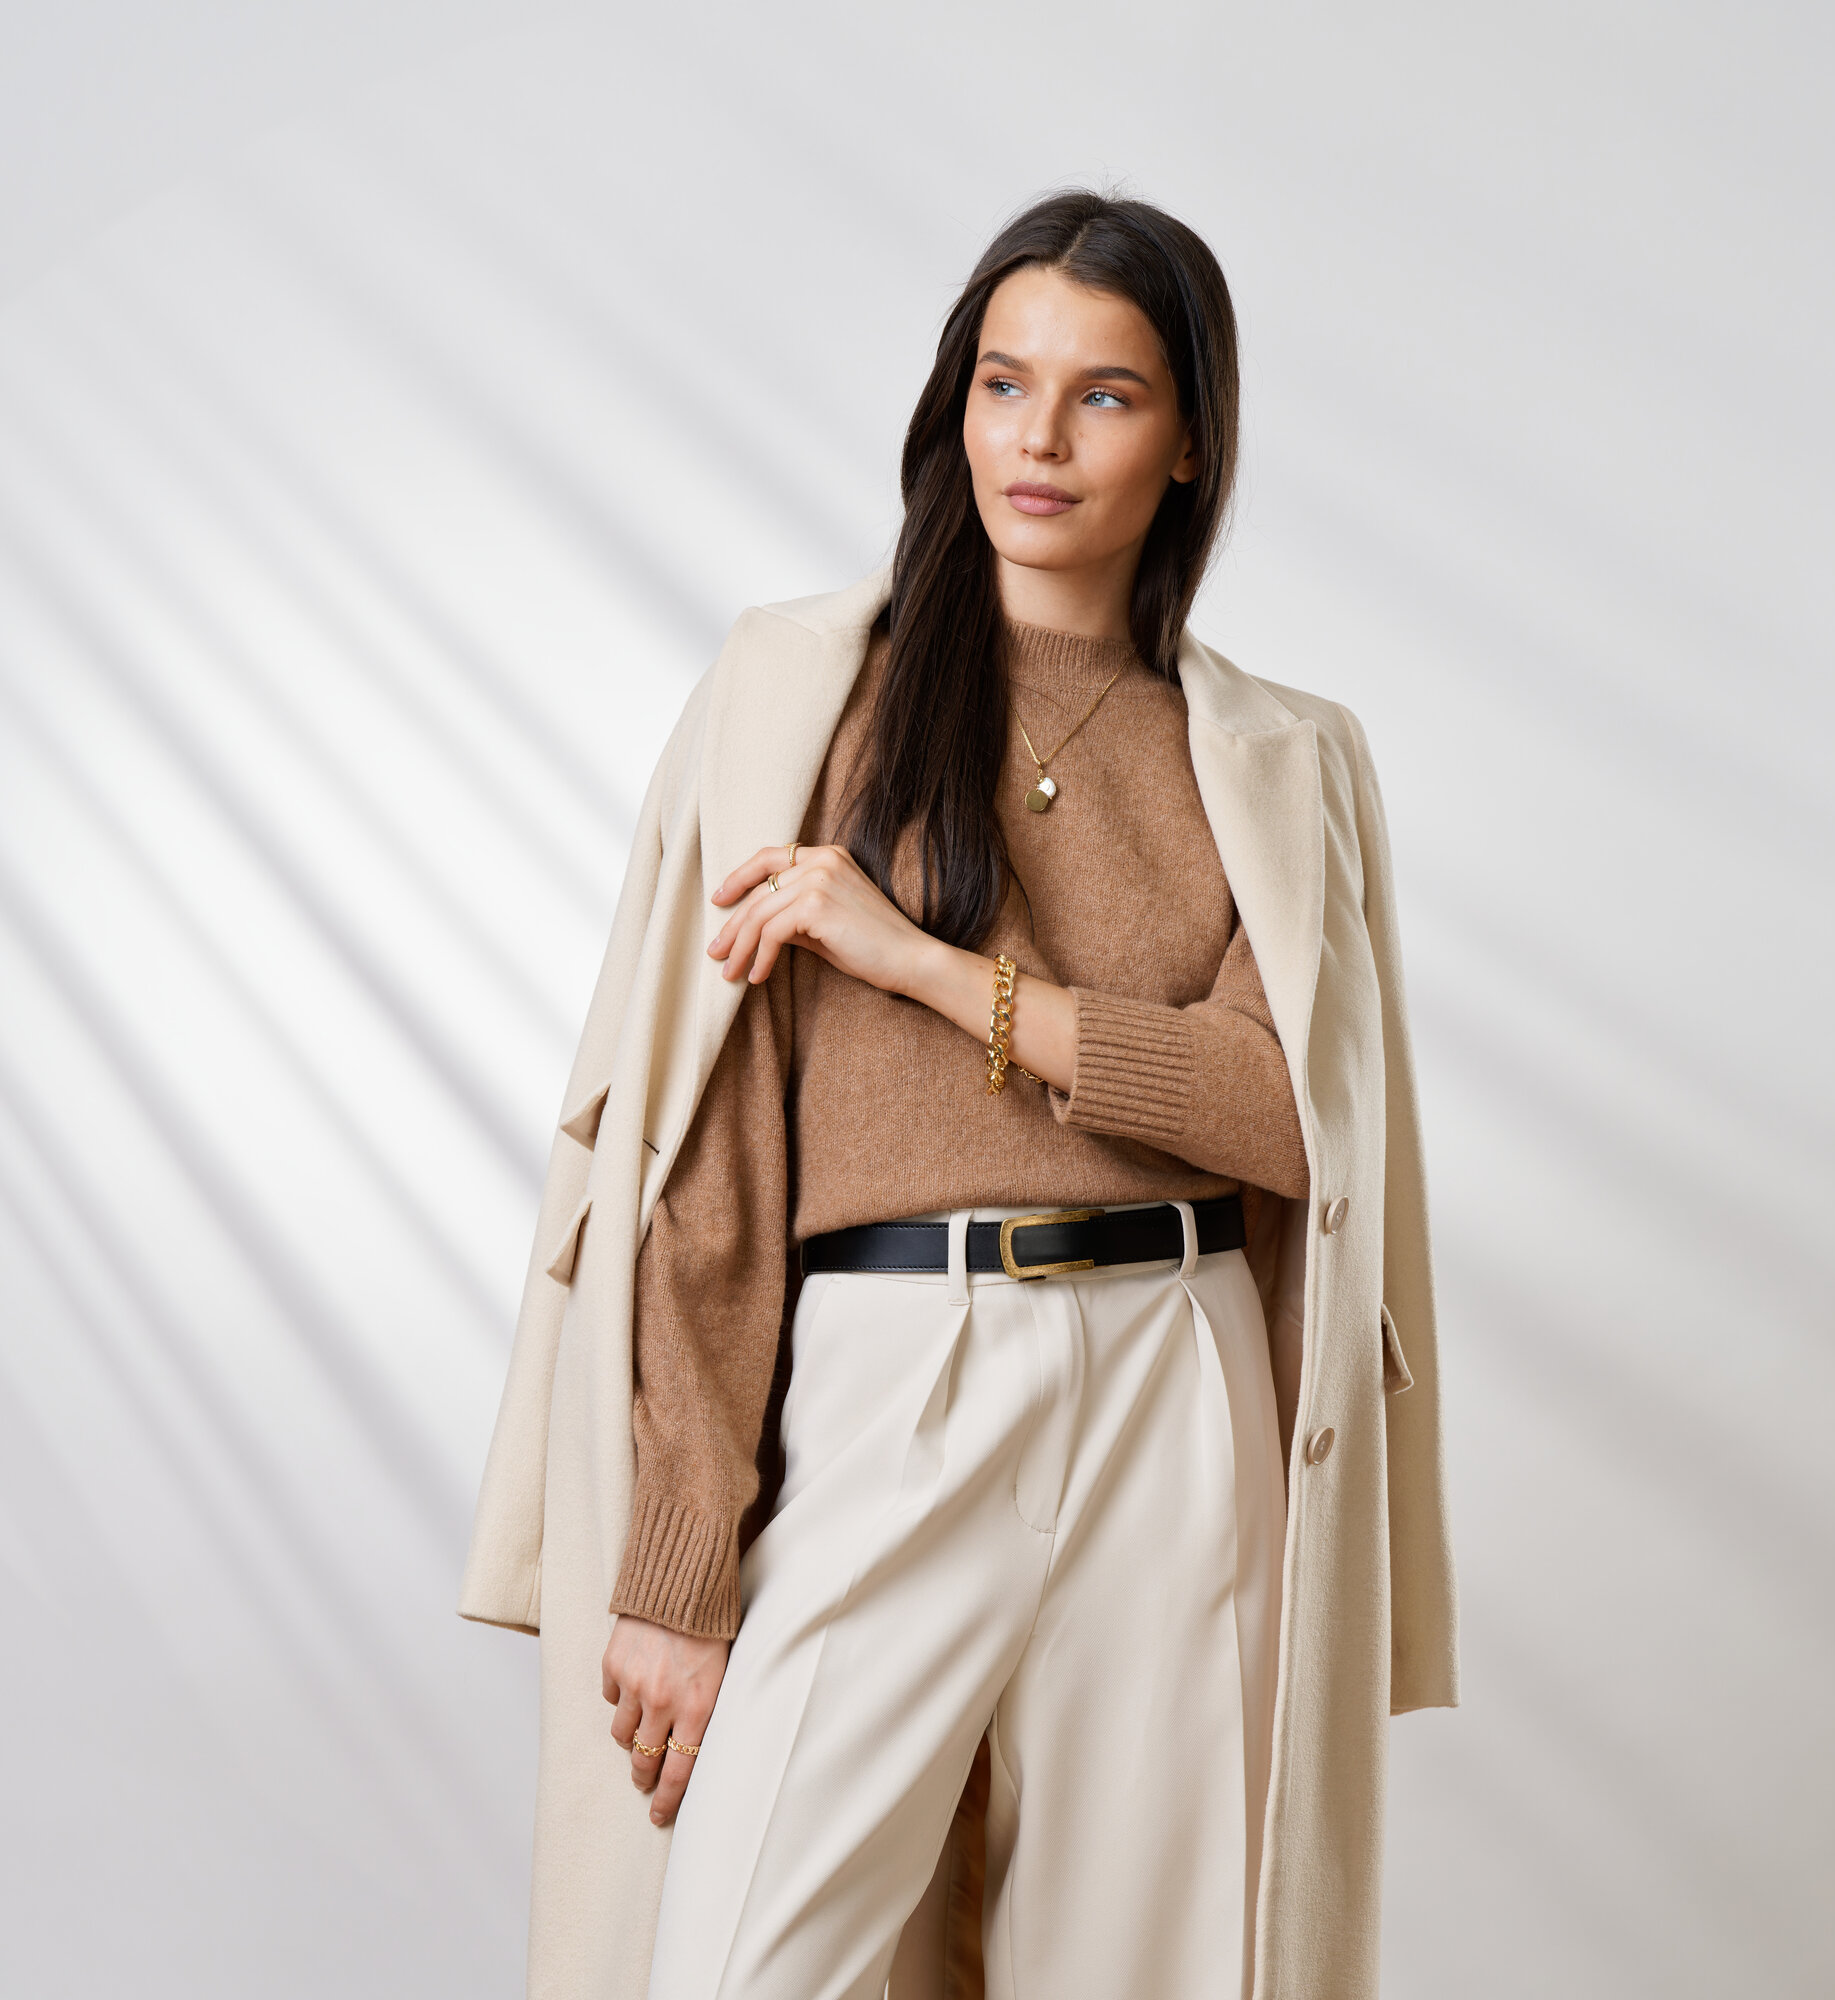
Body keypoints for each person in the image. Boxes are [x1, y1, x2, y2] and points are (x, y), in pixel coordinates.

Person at [460, 188, 1457, 2000]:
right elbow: (712, 1169)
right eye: (1005, 384)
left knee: (1149, 1966)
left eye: (1104, 395)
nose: (1040, 438)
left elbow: (1276, 1115)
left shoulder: (1278, 758)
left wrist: (925, 966)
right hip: (887, 1369)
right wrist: (679, 1572)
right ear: (956, 407)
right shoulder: (806, 699)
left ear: (1189, 442)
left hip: (1176, 1375)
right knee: (744, 1963)